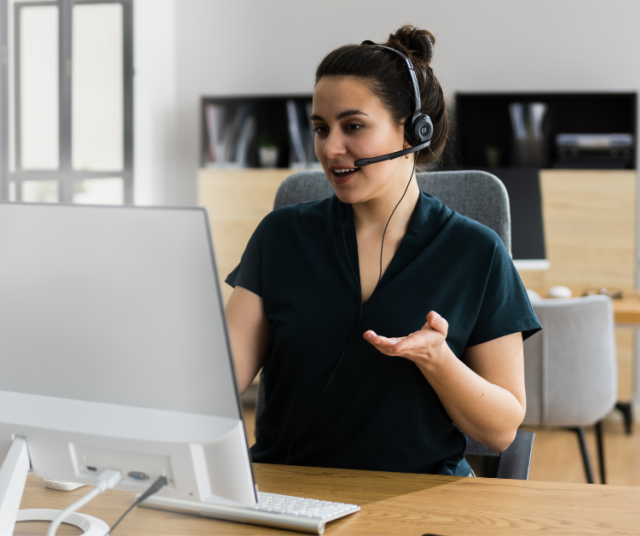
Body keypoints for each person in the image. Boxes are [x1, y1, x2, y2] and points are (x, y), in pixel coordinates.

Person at [224, 25, 541, 476]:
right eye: (320, 128)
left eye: (353, 126)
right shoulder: (280, 237)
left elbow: (500, 431)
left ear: (414, 132)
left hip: (414, 499)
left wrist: (437, 358)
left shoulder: (476, 253)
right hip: (286, 495)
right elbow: (217, 385)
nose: (331, 149)